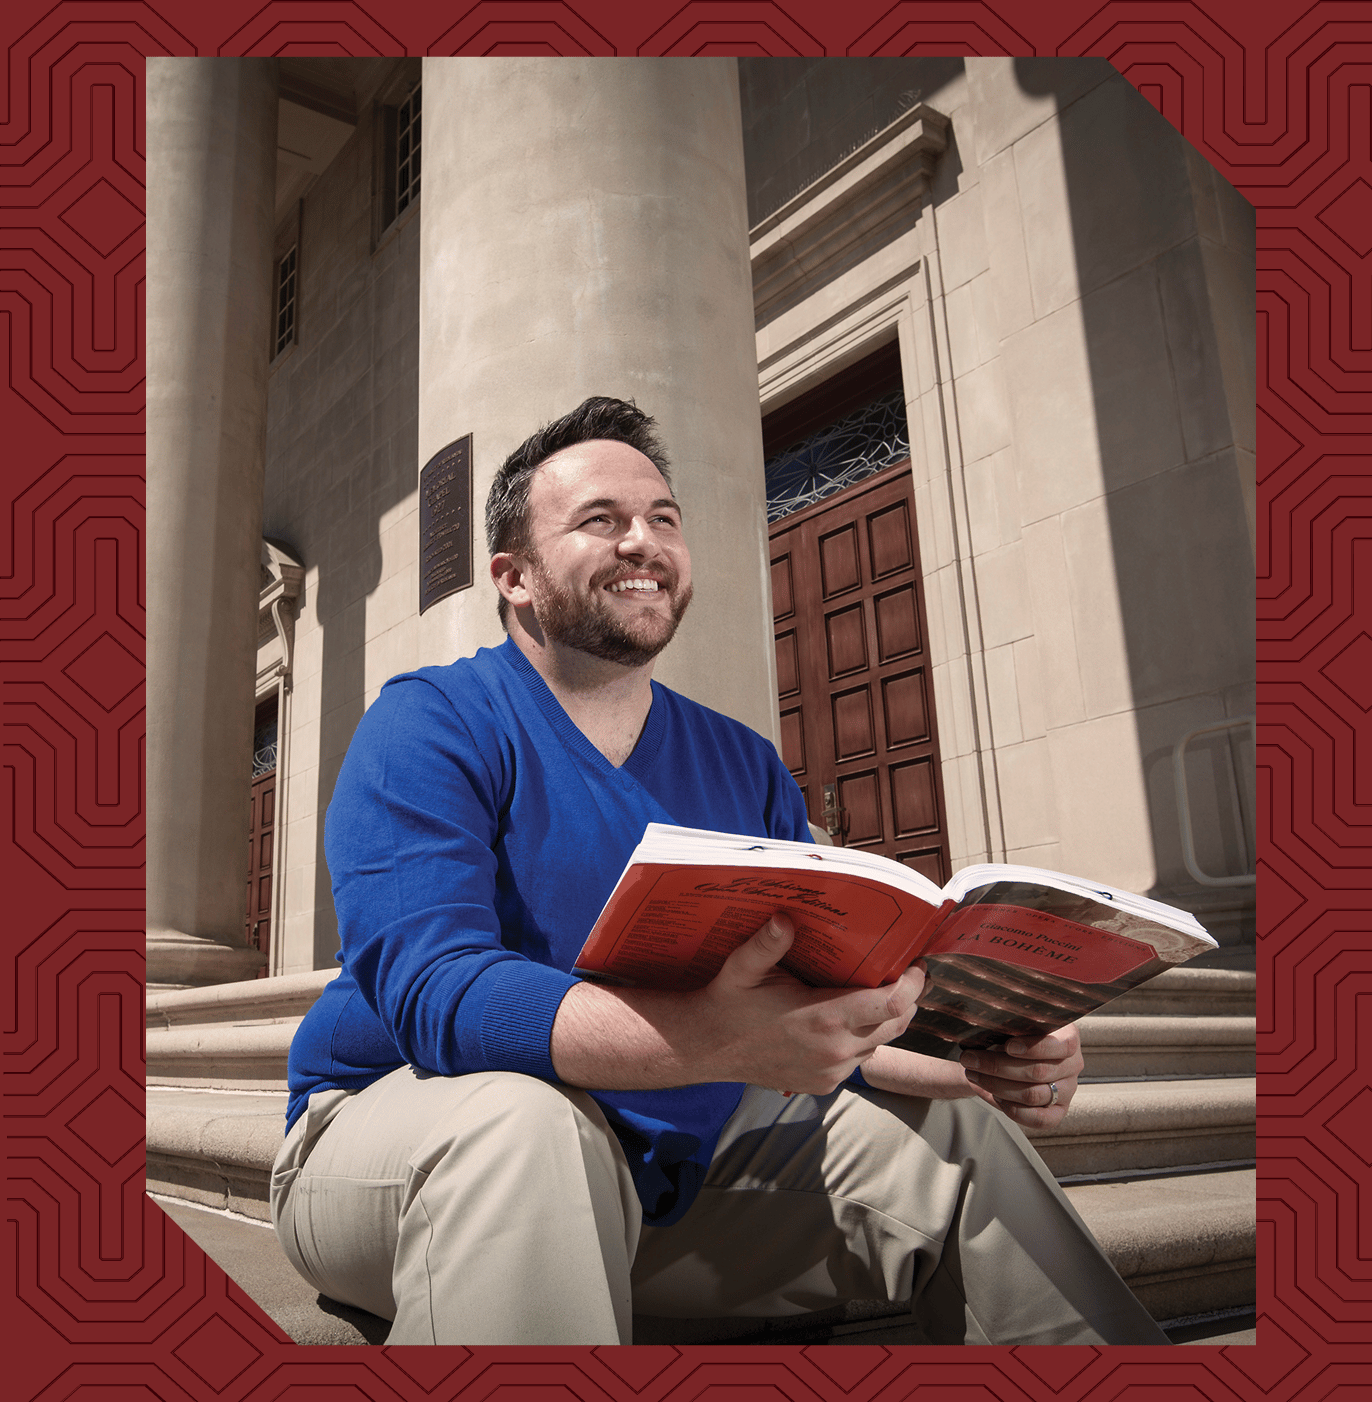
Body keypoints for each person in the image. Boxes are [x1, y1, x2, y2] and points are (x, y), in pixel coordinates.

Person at [271, 396, 1169, 1346]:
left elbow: (816, 1010)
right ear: (514, 576)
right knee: (525, 1124)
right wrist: (708, 1040)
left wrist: (978, 1061)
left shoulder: (744, 764)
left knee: (959, 1139)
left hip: (669, 1181)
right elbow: (437, 991)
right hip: (398, 1144)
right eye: (601, 520)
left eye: (663, 518)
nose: (644, 542)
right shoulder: (429, 723)